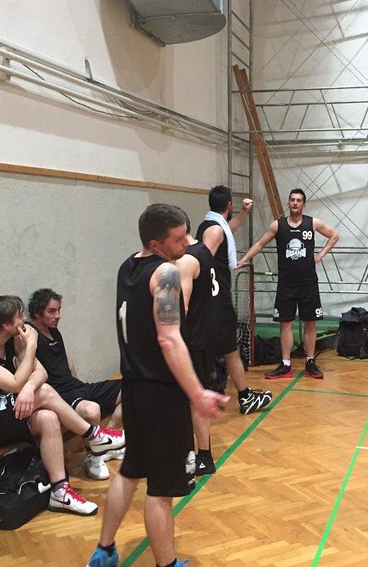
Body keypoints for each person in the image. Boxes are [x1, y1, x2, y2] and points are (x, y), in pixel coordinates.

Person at [86, 204, 229, 567]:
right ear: (156, 243)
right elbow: (168, 339)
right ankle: (167, 564)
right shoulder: (165, 273)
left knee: (130, 472)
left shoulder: (127, 267)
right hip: (162, 395)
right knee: (162, 490)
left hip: (133, 389)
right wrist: (196, 393)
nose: (188, 243)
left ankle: (104, 551)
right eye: (178, 239)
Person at [0, 296, 121, 517]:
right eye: (19, 315)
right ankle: (94, 435)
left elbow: (41, 373)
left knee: (48, 417)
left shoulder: (12, 341)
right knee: (45, 392)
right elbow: (14, 384)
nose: (24, 319)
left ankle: (60, 492)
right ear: (6, 325)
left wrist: (29, 387)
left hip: (1, 413)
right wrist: (31, 347)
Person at [237, 189, 340, 379]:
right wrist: (244, 259)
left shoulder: (312, 223)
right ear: (288, 203)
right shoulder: (278, 225)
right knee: (285, 323)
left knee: (310, 322)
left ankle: (310, 361)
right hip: (286, 284)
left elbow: (334, 235)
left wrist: (321, 254)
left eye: (298, 200)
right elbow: (259, 244)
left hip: (308, 282)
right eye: (292, 199)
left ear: (303, 205)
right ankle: (285, 364)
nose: (295, 203)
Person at [28, 289, 125, 481]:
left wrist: (80, 386)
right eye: (52, 311)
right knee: (91, 410)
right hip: (59, 394)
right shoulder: (29, 335)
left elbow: (66, 362)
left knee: (134, 387)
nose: (58, 315)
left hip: (76, 386)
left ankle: (106, 442)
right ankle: (95, 456)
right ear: (37, 313)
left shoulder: (54, 332)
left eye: (59, 310)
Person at [196, 185, 274, 411]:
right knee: (229, 349)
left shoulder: (213, 225)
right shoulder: (214, 230)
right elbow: (202, 261)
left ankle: (231, 393)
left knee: (226, 348)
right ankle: (243, 396)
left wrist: (243, 213)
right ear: (229, 204)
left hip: (216, 298)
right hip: (216, 299)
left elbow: (227, 230)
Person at [176, 225, 228, 476]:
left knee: (193, 398)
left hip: (194, 341)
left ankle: (203, 456)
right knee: (192, 396)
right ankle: (192, 451)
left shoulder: (186, 260)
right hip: (205, 337)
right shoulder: (204, 252)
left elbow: (182, 306)